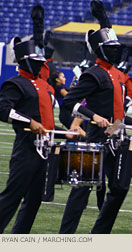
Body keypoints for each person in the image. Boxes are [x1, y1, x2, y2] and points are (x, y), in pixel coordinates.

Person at [59, 0, 132, 234]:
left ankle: (99, 235)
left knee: (120, 189)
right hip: (97, 140)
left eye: (115, 47)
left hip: (118, 140)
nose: (114, 50)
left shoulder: (118, 75)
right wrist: (93, 116)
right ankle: (64, 237)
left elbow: (117, 115)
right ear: (100, 50)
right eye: (110, 48)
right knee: (82, 190)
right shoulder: (93, 74)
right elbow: (70, 102)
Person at [0, 5, 57, 233]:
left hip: (45, 148)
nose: (40, 62)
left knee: (34, 201)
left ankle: (18, 239)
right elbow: (3, 109)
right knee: (12, 197)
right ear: (24, 61)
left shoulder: (43, 85)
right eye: (35, 59)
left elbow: (46, 117)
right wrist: (28, 122)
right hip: (26, 148)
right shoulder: (16, 83)